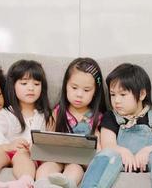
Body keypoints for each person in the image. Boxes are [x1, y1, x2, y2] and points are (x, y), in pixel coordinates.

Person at [81, 63, 152, 188]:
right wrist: (123, 151)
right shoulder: (111, 117)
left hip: (148, 161)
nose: (116, 100)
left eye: (123, 95)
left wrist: (146, 150)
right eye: (113, 94)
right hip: (118, 162)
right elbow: (109, 145)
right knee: (105, 153)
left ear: (141, 94)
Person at [0, 59, 53, 188]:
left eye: (36, 84)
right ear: (12, 85)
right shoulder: (4, 114)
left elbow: (51, 140)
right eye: (24, 83)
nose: (31, 88)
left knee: (22, 156)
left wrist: (34, 147)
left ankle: (24, 182)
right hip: (4, 150)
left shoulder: (45, 116)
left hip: (27, 155)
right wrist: (8, 146)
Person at [35, 57, 106, 188]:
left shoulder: (97, 117)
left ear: (95, 92)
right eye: (74, 87)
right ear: (66, 86)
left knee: (75, 169)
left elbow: (100, 147)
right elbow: (48, 138)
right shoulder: (57, 112)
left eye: (86, 90)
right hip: (56, 157)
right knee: (46, 167)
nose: (79, 94)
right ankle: (42, 185)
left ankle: (67, 184)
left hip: (80, 162)